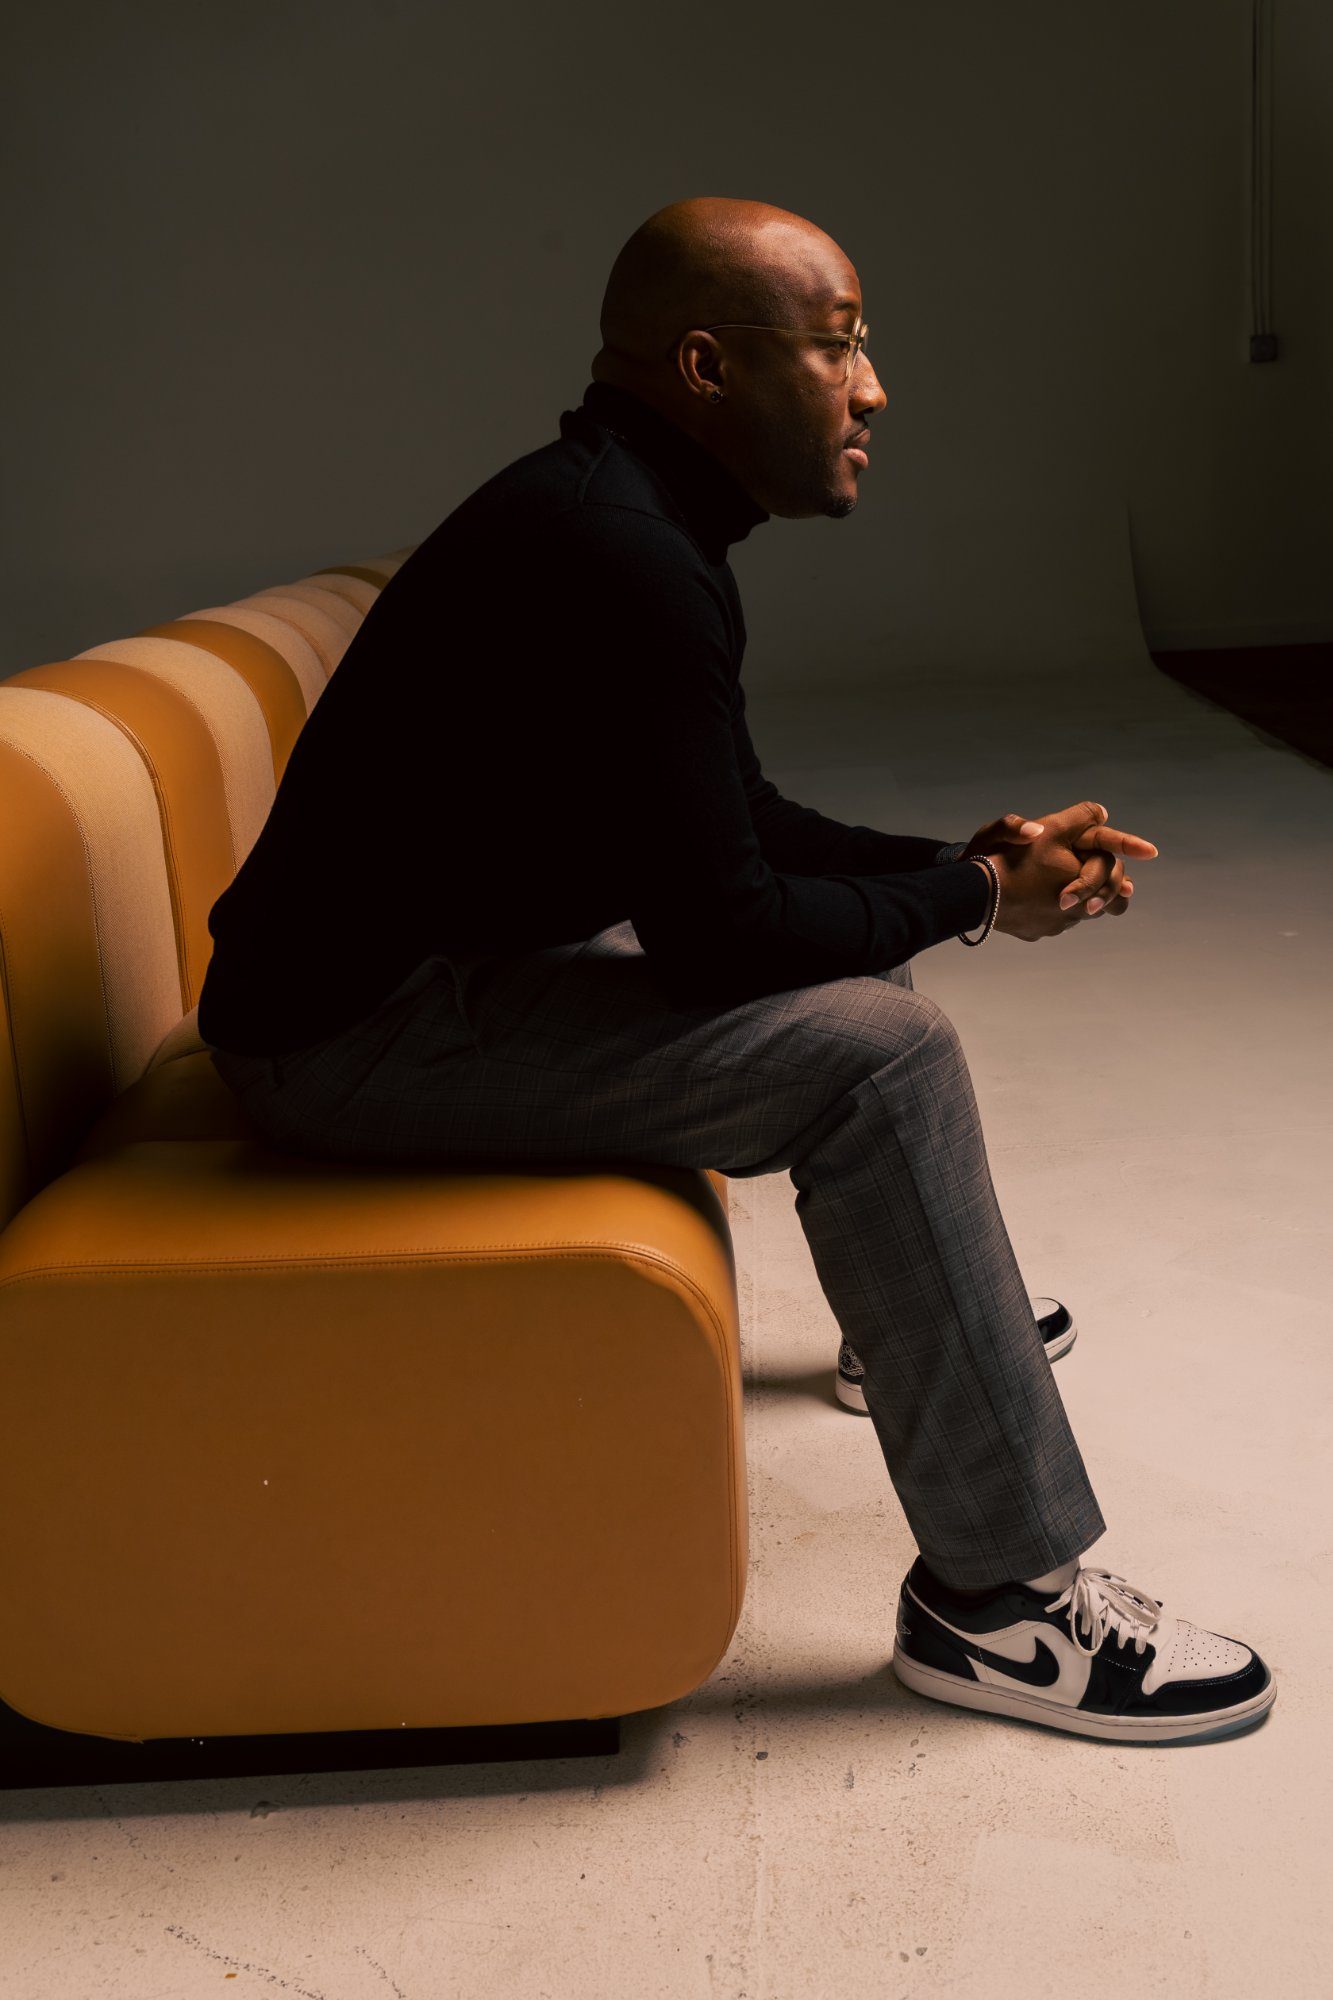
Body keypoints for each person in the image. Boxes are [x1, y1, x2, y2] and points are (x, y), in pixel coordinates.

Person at [199, 195, 1275, 1745]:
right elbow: (724, 932)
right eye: (836, 345)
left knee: (866, 1002)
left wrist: (953, 857)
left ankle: (917, 1324)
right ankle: (1002, 1608)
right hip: (353, 1049)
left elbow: (734, 825)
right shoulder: (621, 551)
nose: (873, 388)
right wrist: (977, 895)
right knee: (875, 1051)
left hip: (412, 993)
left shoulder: (617, 515)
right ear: (706, 365)